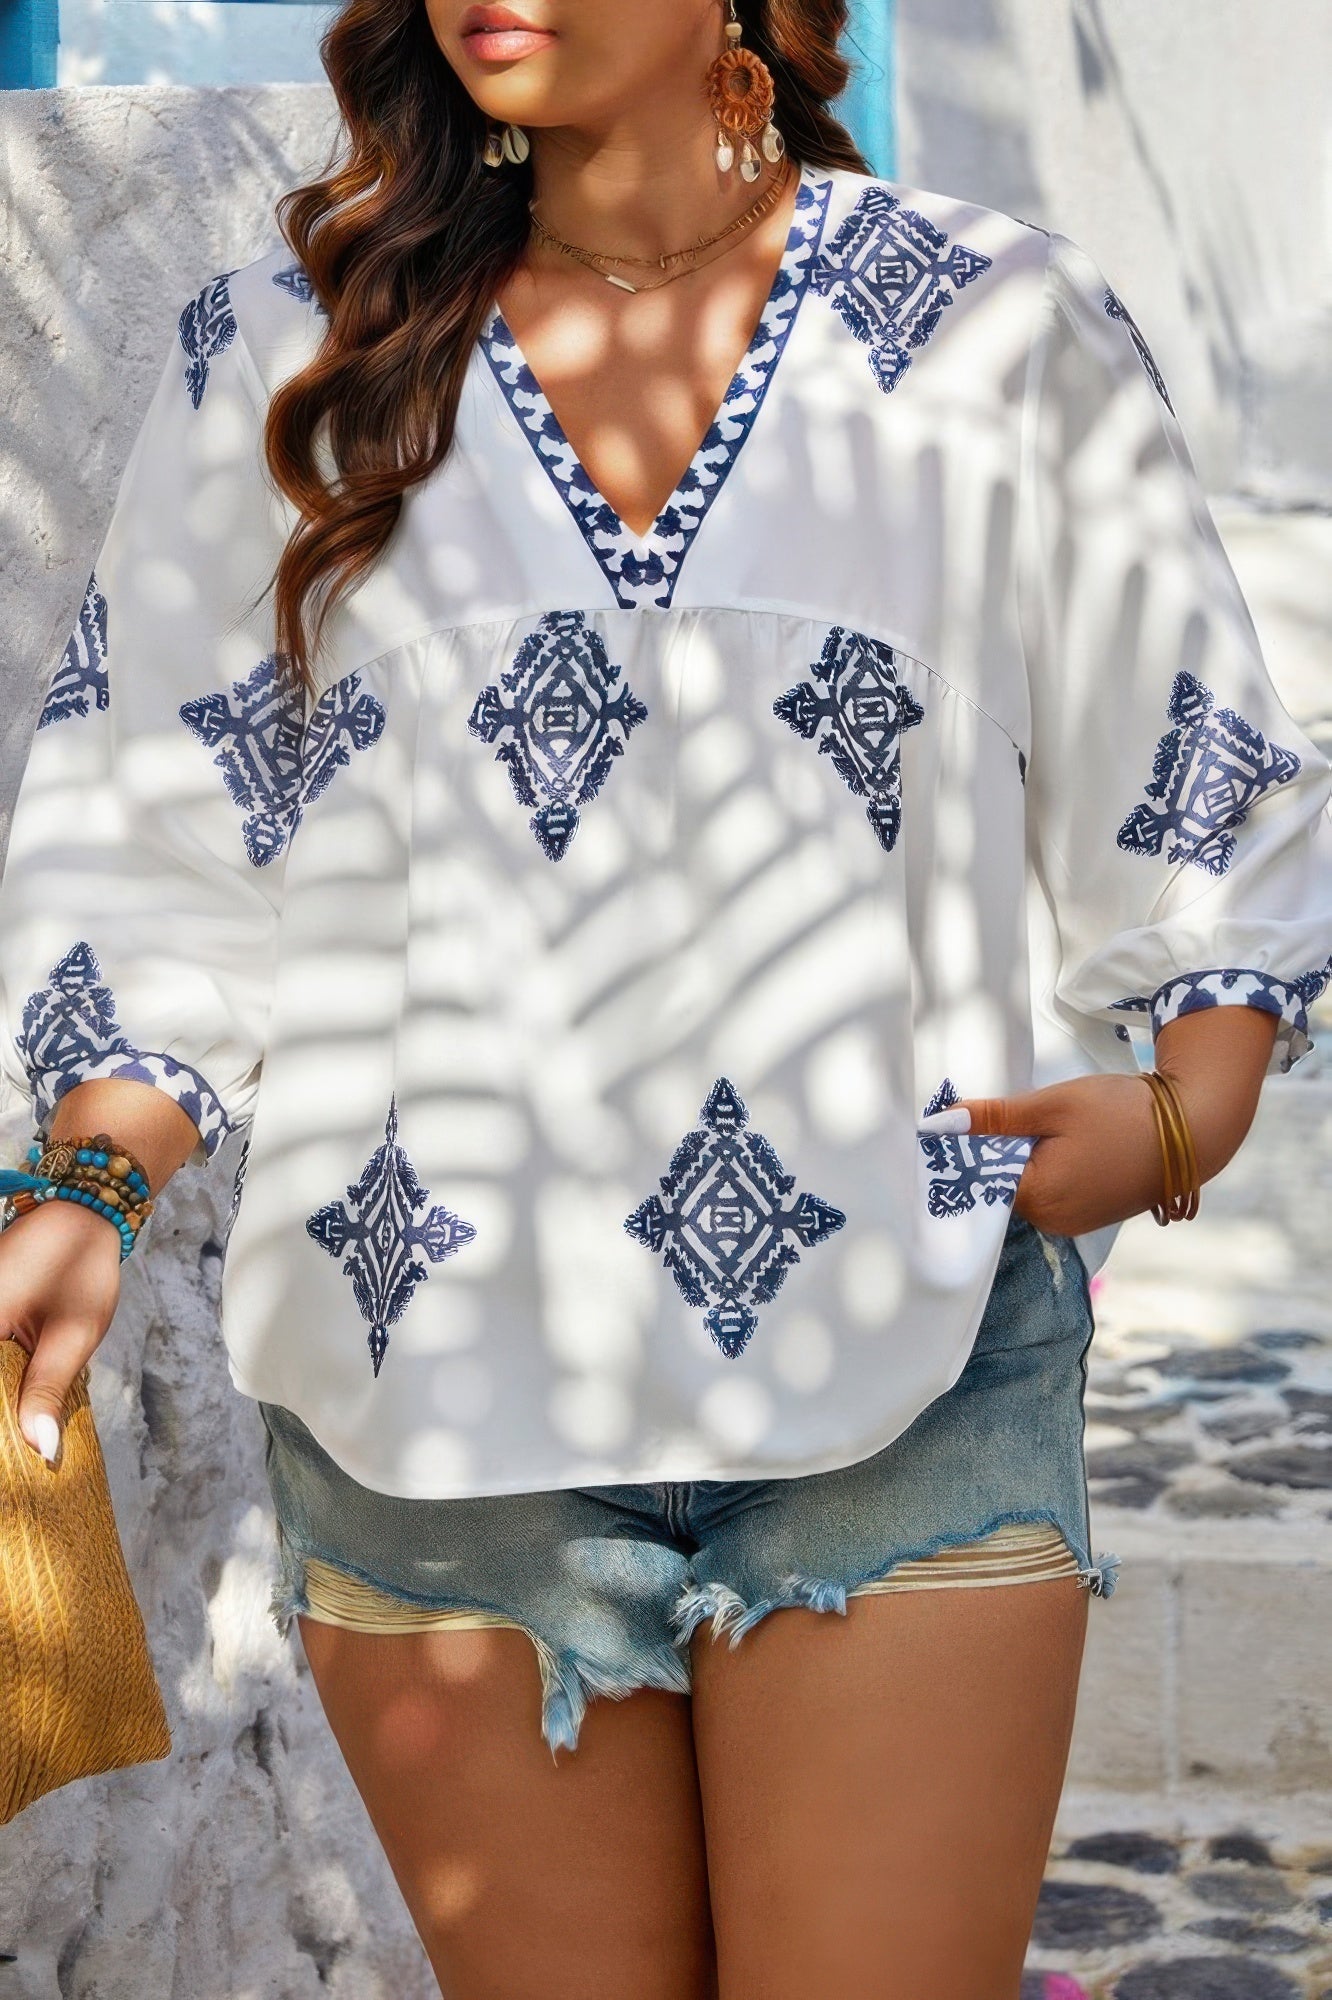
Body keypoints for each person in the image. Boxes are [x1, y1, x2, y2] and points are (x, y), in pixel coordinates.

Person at [2, 1, 1329, 1992]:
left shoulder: (991, 328)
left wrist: (1186, 1107)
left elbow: (1192, 750)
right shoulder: (295, 348)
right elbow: (162, 833)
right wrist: (91, 1184)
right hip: (434, 1407)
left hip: (912, 1367)